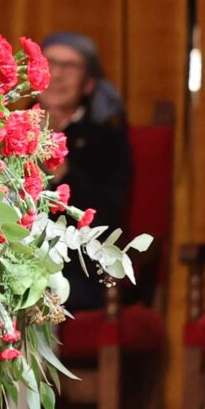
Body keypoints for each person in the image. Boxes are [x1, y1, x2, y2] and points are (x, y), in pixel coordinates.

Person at [37, 32, 136, 312]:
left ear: (89, 82)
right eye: (48, 63)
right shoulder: (10, 125)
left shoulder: (107, 139)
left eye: (69, 67)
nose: (56, 75)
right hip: (14, 252)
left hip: (77, 265)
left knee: (39, 286)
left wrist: (61, 168)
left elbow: (106, 216)